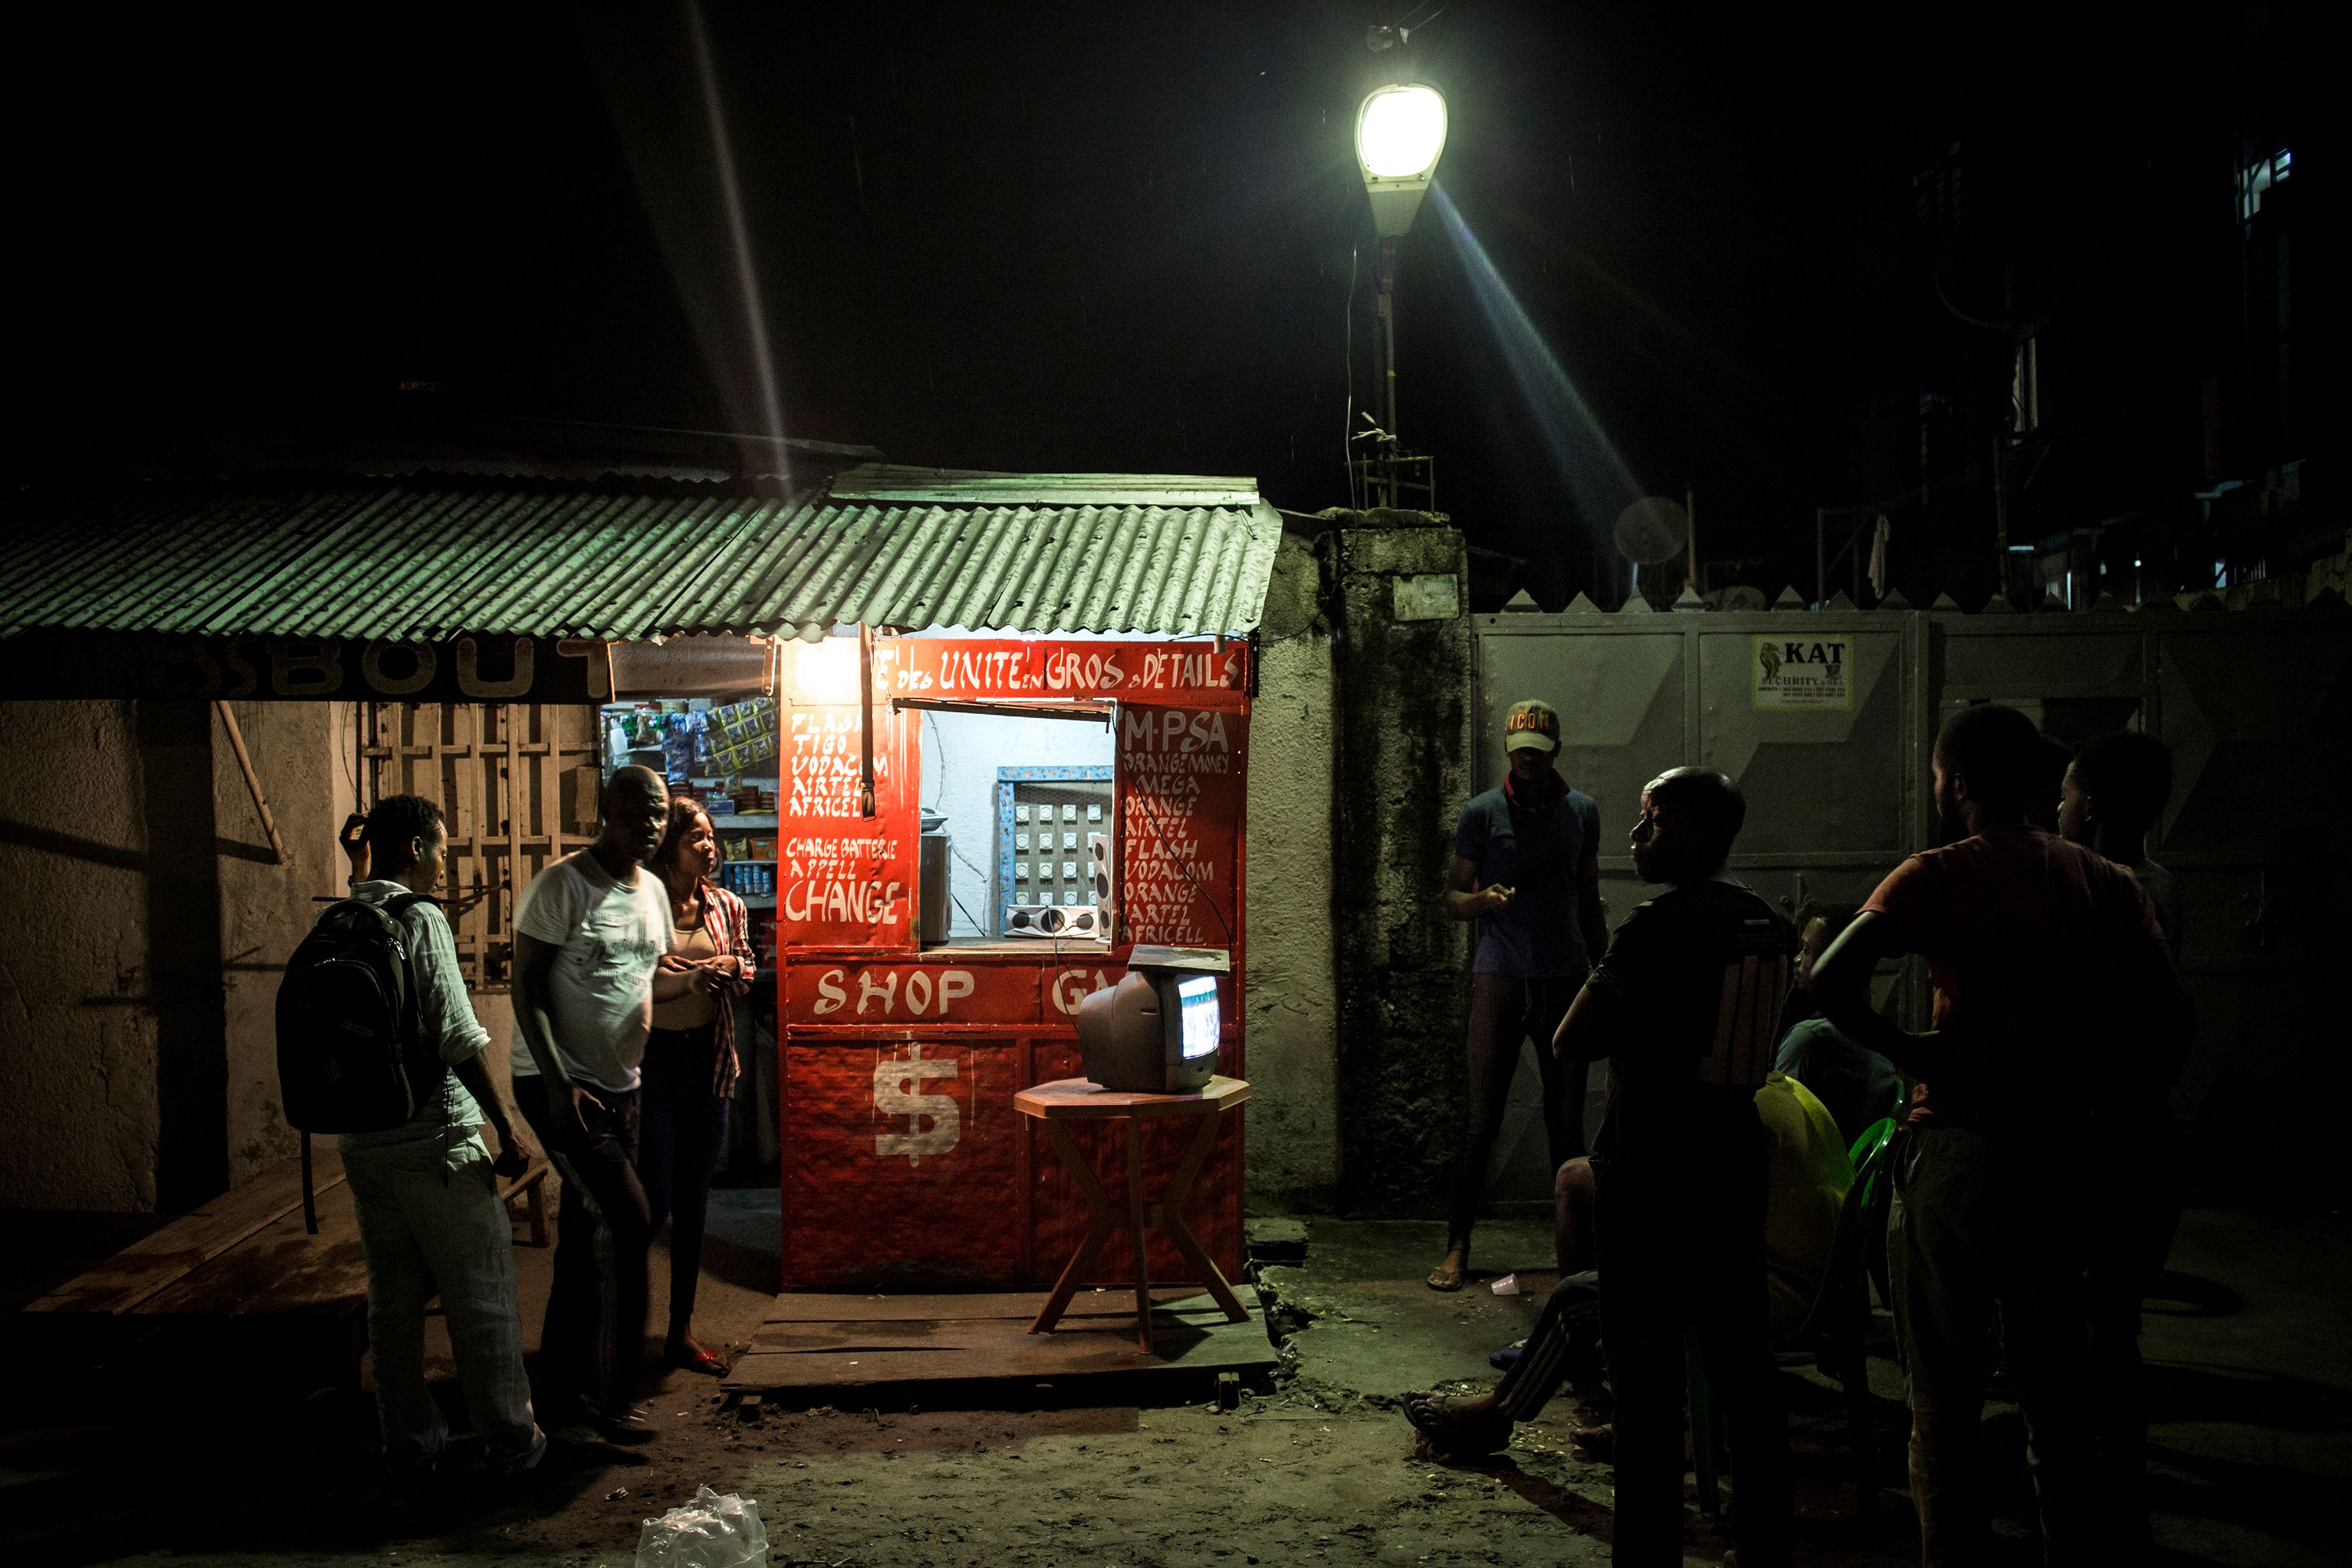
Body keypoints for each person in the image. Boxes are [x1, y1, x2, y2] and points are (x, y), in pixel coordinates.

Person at [1814, 704, 2189, 1566]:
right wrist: (2101, 1102)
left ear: (1957, 782)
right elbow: (2172, 1023)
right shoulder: (2107, 882)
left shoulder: (1938, 874)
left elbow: (1832, 978)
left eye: (1940, 773)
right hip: (2063, 1160)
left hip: (1957, 1156)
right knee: (2060, 1410)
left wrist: (1910, 1051)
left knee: (1942, 1408)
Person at [1416, 768, 1799, 1567]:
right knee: (1744, 1373)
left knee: (1647, 1390)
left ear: (1691, 833)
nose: (1634, 837)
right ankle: (1767, 1547)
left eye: (1650, 821)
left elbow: (1571, 1039)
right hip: (1733, 1167)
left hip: (1652, 1173)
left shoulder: (1656, 926)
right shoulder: (1768, 924)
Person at [336, 795, 544, 1477]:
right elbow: (456, 1035)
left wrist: (358, 867)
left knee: (391, 1302)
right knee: (479, 1294)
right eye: (441, 851)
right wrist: (505, 1128)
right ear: (415, 850)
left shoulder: (343, 914)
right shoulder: (419, 919)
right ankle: (512, 1444)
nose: (442, 865)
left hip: (364, 1142)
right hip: (435, 1138)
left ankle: (410, 1442)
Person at [510, 764, 673, 1445]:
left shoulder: (655, 892)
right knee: (629, 1225)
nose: (651, 827)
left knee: (584, 1240)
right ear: (606, 811)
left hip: (621, 1087)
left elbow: (644, 978)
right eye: (636, 814)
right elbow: (526, 988)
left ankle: (558, 1394)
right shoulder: (562, 885)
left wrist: (711, 980)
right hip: (562, 1087)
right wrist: (556, 1080)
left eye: (659, 815)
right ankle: (613, 1395)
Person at [2059, 728, 2189, 1554]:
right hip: (2151, 1131)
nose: (2058, 807)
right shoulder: (2165, 884)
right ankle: (2124, 1501)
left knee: (2093, 1332)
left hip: (2103, 1131)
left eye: (2067, 795)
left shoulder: (2092, 890)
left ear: (2094, 808)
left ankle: (2104, 1513)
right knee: (2115, 1327)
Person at [1431, 698, 1607, 1292]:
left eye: (1538, 750)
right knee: (1481, 1121)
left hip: (1564, 982)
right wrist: (1482, 903)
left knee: (1566, 1125)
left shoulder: (1581, 811)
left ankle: (1579, 1259)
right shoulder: (1481, 813)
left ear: (1555, 750)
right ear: (1510, 752)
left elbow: (1588, 901)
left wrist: (1605, 975)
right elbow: (1453, 899)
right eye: (1520, 751)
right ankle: (1457, 1247)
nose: (1528, 760)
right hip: (1500, 980)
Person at [638, 797, 756, 1377]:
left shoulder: (727, 904)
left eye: (711, 838)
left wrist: (727, 970)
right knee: (650, 1203)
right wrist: (691, 981)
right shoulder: (645, 904)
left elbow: (748, 966)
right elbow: (634, 979)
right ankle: (626, 1328)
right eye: (696, 840)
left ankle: (679, 1333)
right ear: (671, 846)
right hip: (652, 1063)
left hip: (708, 1063)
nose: (709, 848)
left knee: (693, 1204)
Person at [1774, 906, 1907, 1146]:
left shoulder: (1807, 1038)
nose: (1797, 959)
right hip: (1847, 1176)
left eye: (1806, 950)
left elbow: (1777, 1127)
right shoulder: (1875, 1038)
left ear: (1833, 964)